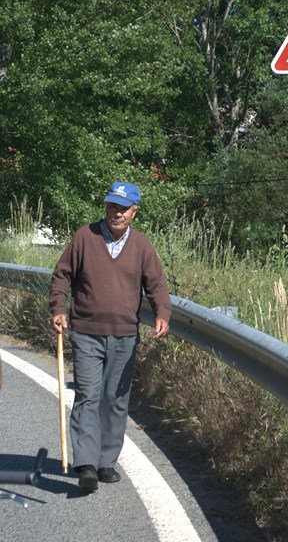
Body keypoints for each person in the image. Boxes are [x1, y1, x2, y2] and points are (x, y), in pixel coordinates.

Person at [49, 181, 171, 493]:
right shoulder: (84, 237)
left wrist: (162, 313)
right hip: (86, 332)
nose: (117, 213)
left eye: (123, 208)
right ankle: (87, 464)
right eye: (112, 206)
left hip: (125, 336)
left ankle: (106, 463)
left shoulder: (141, 245)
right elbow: (62, 275)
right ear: (106, 207)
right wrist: (58, 308)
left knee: (115, 400)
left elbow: (156, 285)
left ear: (134, 212)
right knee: (88, 395)